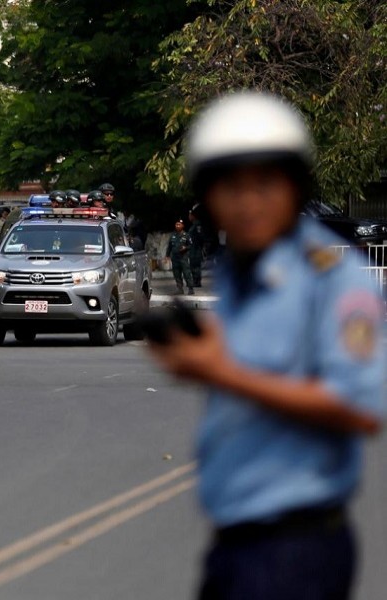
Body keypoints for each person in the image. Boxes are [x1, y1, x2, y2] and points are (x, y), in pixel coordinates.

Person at [146, 91, 383, 600]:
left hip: (295, 549)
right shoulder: (240, 275)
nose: (247, 203)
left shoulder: (336, 279)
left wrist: (220, 370)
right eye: (229, 186)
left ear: (296, 187)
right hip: (237, 545)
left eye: (265, 183)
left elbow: (361, 408)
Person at [166, 219, 194, 295]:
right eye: (176, 224)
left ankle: (191, 288)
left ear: (183, 226)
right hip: (175, 258)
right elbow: (169, 246)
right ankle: (180, 289)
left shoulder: (186, 235)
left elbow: (191, 245)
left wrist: (186, 248)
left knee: (187, 273)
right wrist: (167, 256)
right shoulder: (173, 235)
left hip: (183, 258)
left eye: (179, 224)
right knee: (176, 274)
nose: (177, 226)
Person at [187, 206, 205, 287]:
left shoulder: (197, 225)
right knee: (193, 265)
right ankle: (195, 281)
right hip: (193, 249)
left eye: (190, 215)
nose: (189, 217)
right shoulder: (193, 225)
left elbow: (200, 237)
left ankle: (197, 282)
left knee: (196, 266)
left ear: (193, 216)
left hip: (196, 249)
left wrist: (199, 247)